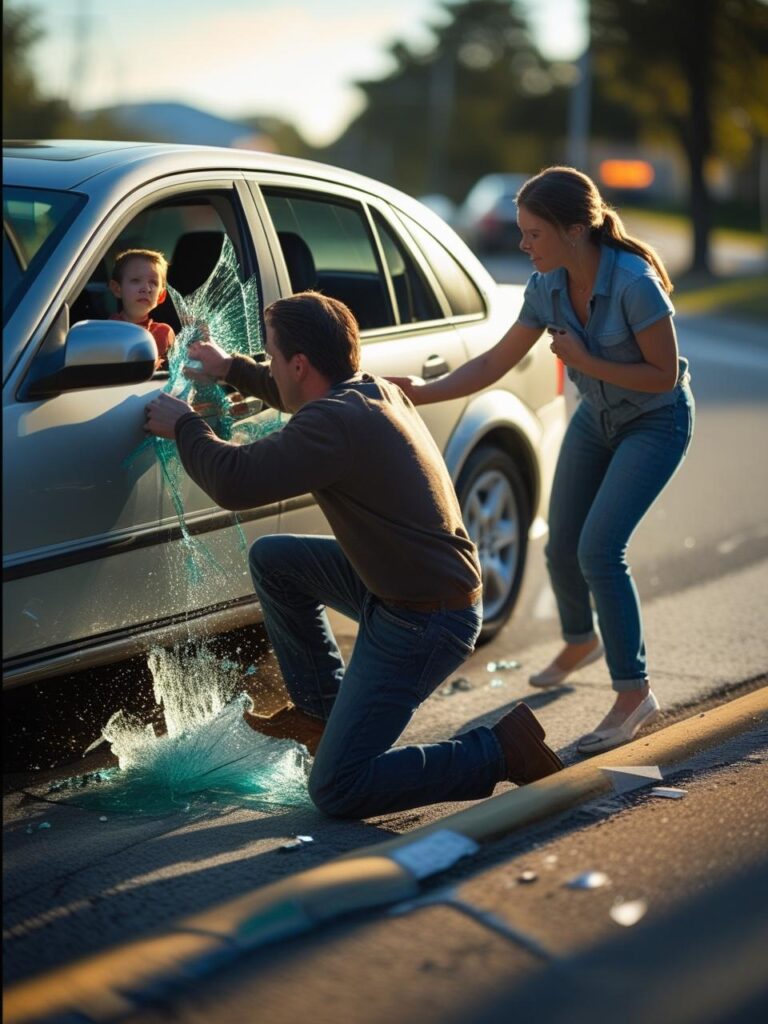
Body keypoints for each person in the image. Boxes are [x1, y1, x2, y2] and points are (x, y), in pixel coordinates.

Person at [144, 290, 563, 819]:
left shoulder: (333, 423)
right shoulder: (367, 392)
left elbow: (236, 481)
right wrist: (232, 368)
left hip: (426, 621)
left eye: (272, 355)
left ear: (300, 363)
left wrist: (185, 424)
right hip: (399, 587)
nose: (269, 365)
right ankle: (323, 715)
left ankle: (501, 750)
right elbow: (288, 390)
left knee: (338, 788)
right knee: (276, 560)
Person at [389, 166, 694, 756]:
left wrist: (582, 356)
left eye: (534, 233)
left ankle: (634, 694)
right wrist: (420, 392)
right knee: (558, 545)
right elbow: (493, 364)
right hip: (597, 419)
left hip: (654, 423)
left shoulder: (634, 283)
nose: (523, 243)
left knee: (600, 550)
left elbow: (660, 380)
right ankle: (581, 638)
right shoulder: (546, 285)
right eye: (523, 232)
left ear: (576, 230)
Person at [109, 248, 175, 369]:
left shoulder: (164, 333)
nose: (146, 288)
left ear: (161, 295)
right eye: (136, 281)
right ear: (117, 289)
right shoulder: (106, 331)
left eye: (153, 283)